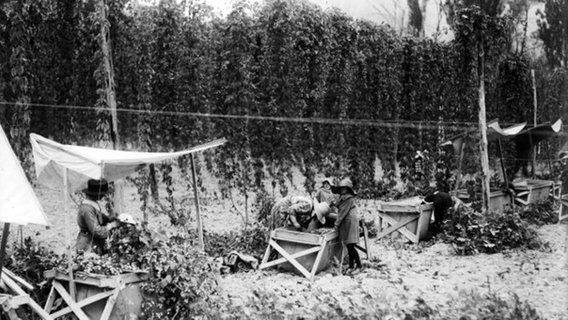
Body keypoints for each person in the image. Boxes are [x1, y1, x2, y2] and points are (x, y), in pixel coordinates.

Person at [75, 179, 119, 254]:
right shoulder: (87, 209)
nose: (103, 196)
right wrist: (110, 226)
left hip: (94, 242)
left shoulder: (93, 204)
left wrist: (111, 219)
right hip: (87, 243)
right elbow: (97, 231)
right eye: (102, 194)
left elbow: (101, 217)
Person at [331, 178, 362, 274]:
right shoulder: (343, 197)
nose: (342, 190)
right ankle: (351, 265)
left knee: (351, 245)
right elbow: (339, 205)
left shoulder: (348, 199)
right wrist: (333, 204)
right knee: (349, 245)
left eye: (344, 188)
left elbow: (342, 213)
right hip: (347, 221)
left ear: (348, 189)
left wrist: (336, 225)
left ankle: (359, 265)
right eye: (341, 188)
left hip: (350, 221)